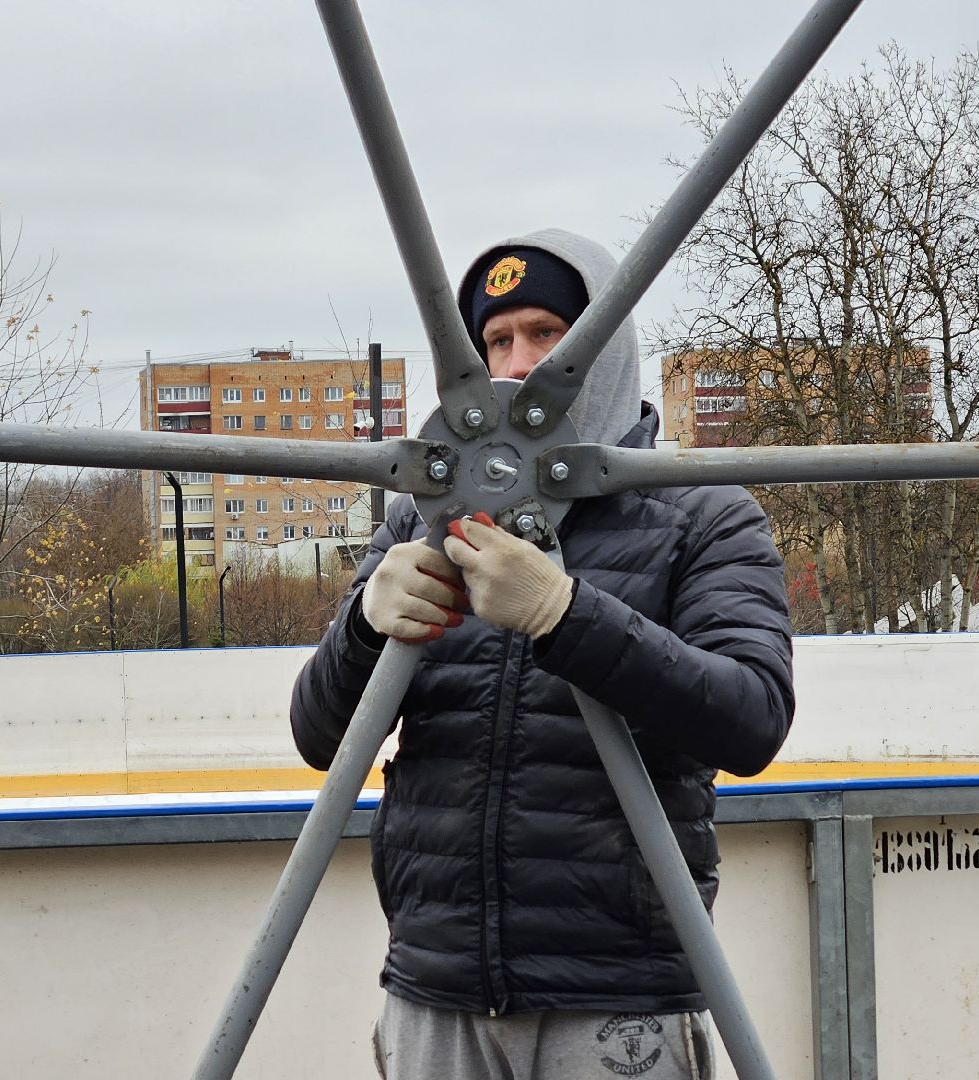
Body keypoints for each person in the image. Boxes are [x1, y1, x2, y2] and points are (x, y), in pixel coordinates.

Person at [290, 228, 794, 1079]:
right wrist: (365, 627)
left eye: (544, 333)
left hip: (617, 998)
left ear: (603, 346)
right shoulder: (427, 516)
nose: (516, 364)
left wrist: (566, 615)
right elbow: (317, 736)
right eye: (495, 340)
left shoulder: (700, 512)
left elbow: (750, 718)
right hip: (437, 988)